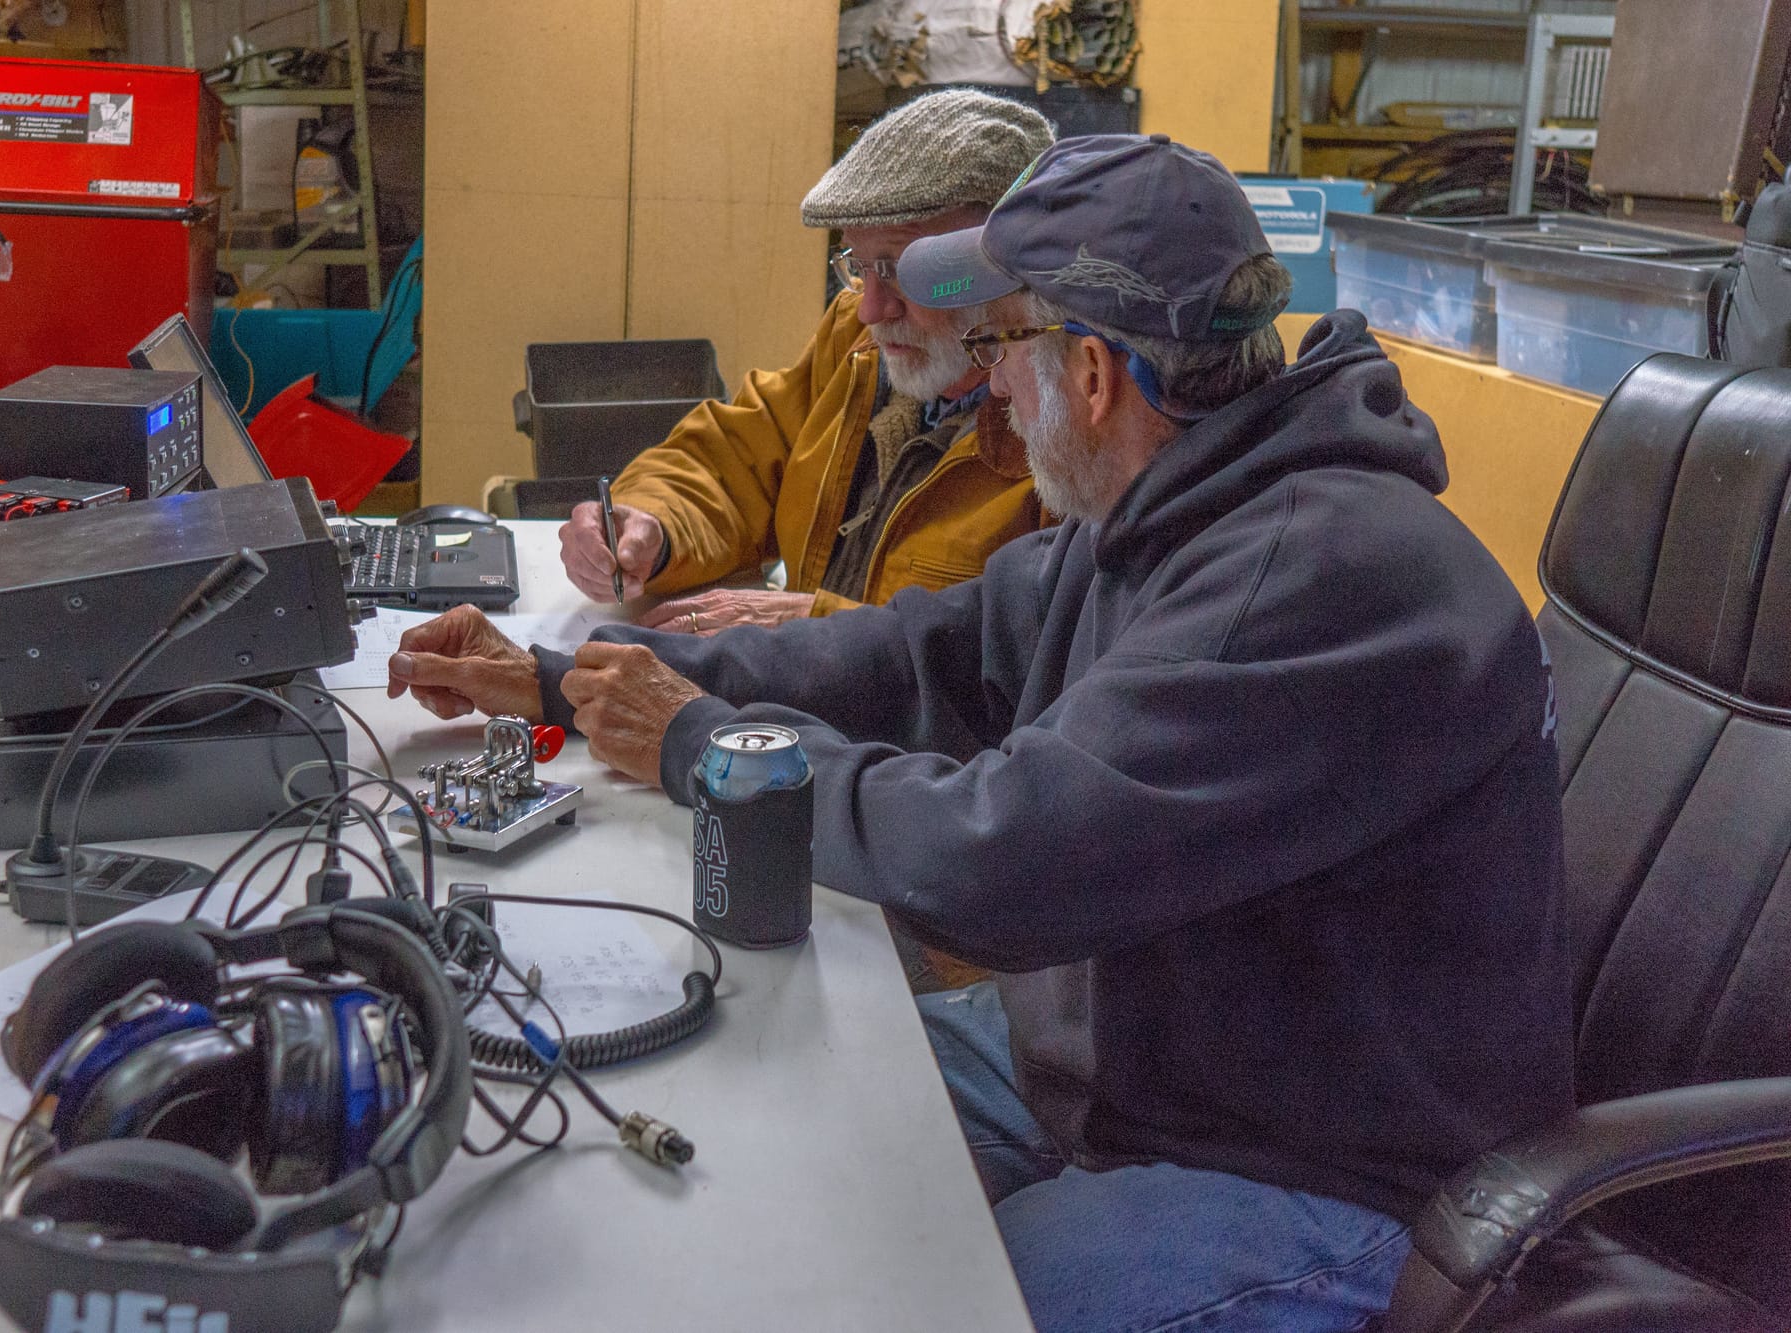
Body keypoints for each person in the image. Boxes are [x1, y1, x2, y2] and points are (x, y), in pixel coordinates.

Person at [387, 134, 1575, 1332]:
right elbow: (914, 653)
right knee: (771, 1115)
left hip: (1312, 1167)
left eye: (1005, 344)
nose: (989, 387)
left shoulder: (1308, 575)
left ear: (1096, 374)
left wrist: (701, 745)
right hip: (1136, 1063)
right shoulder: (1167, 512)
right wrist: (569, 679)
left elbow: (999, 857)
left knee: (910, 1302)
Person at [557, 88, 1052, 636]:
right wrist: (655, 525)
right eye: (859, 266)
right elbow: (735, 460)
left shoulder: (1067, 411)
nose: (870, 308)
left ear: (1003, 262)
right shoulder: (856, 341)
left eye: (903, 270)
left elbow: (1026, 652)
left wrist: (812, 628)